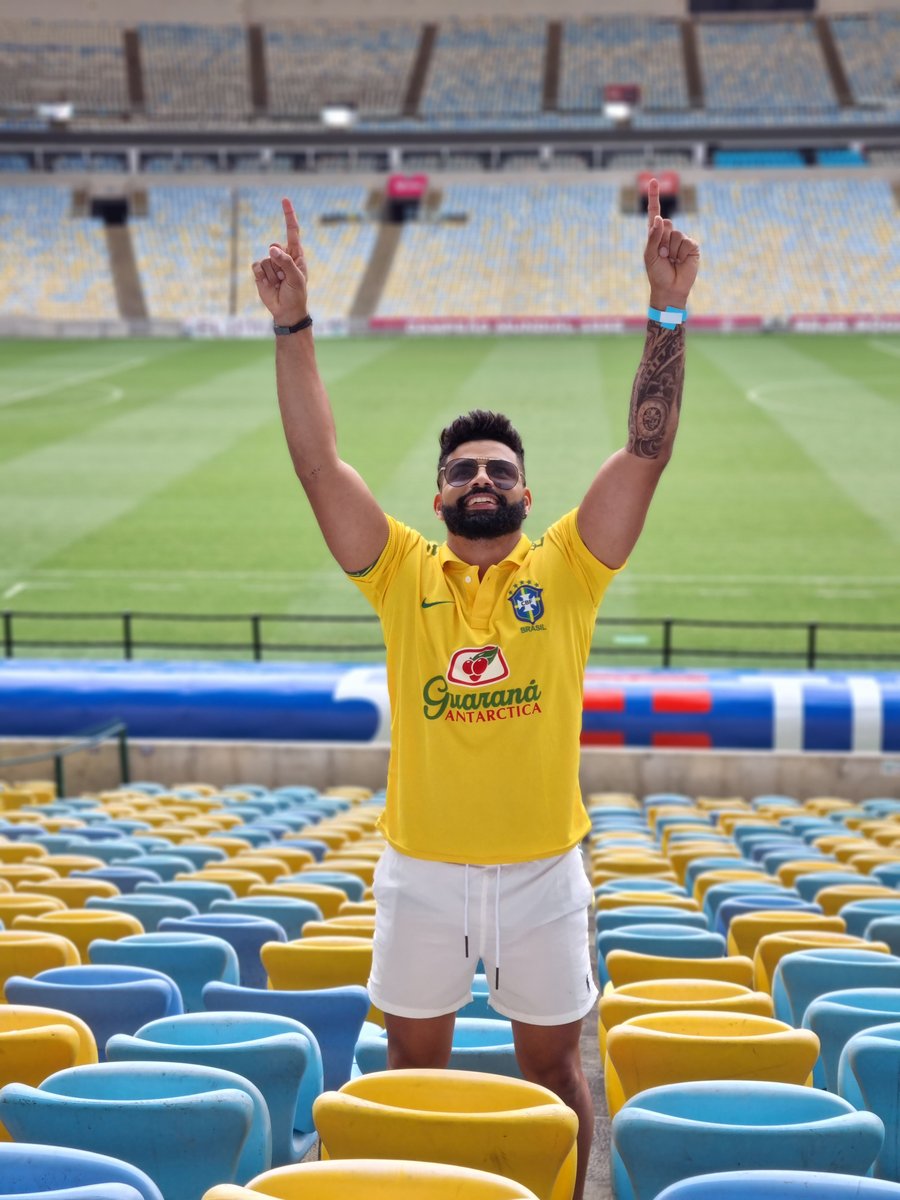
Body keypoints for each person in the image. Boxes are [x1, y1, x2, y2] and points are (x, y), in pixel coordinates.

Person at [252, 178, 700, 1200]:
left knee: (556, 1076)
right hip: (422, 872)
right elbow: (319, 468)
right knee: (415, 1074)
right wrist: (293, 324)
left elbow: (646, 451)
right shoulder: (400, 571)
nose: (482, 479)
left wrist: (667, 309)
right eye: (463, 471)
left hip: (544, 871)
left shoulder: (571, 565)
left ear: (528, 491)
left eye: (499, 468)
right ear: (440, 494)